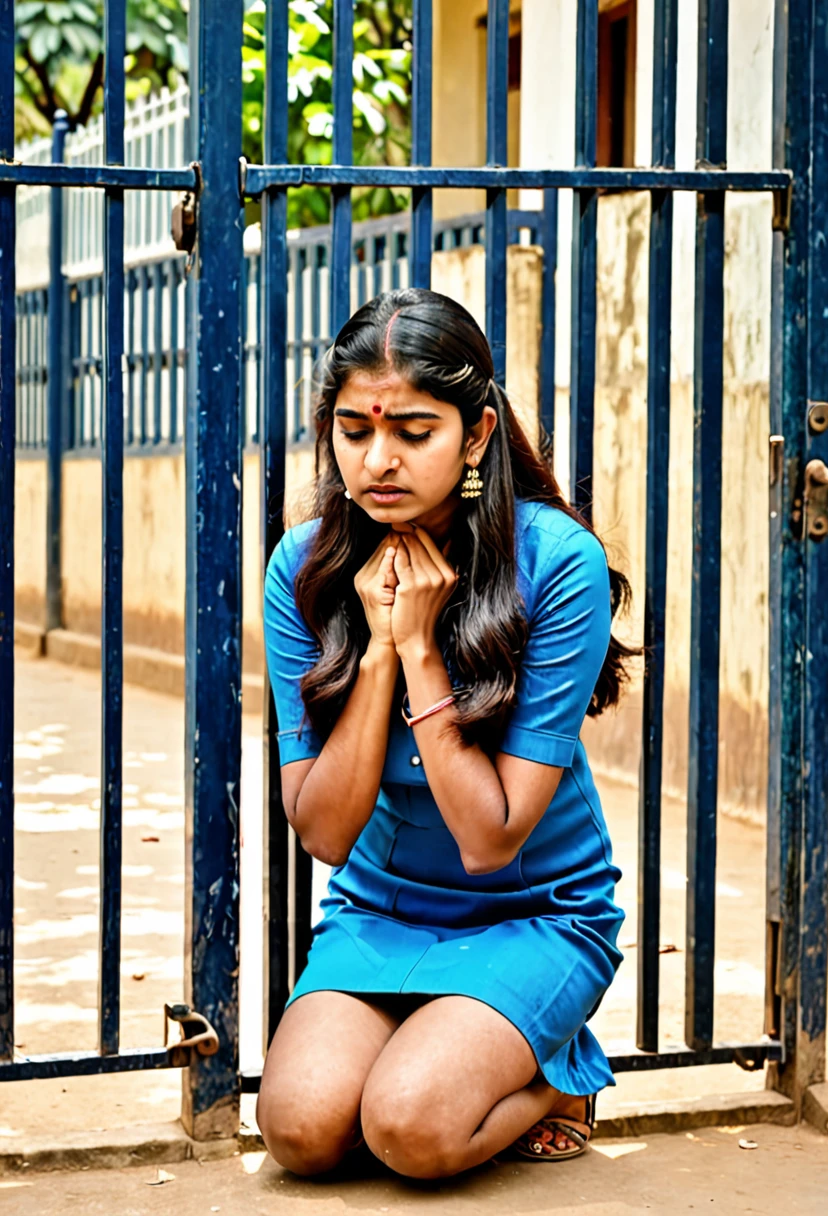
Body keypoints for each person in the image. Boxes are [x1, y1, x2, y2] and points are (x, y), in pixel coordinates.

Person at [256, 288, 637, 1180]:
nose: (378, 461)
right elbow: (321, 832)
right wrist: (379, 651)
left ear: (476, 435)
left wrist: (422, 649)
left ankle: (559, 1077)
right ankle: (452, 1050)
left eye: (413, 432)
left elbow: (490, 837)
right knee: (302, 1131)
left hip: (535, 913)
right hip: (383, 910)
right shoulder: (305, 570)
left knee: (412, 1131)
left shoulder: (556, 564)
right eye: (354, 430)